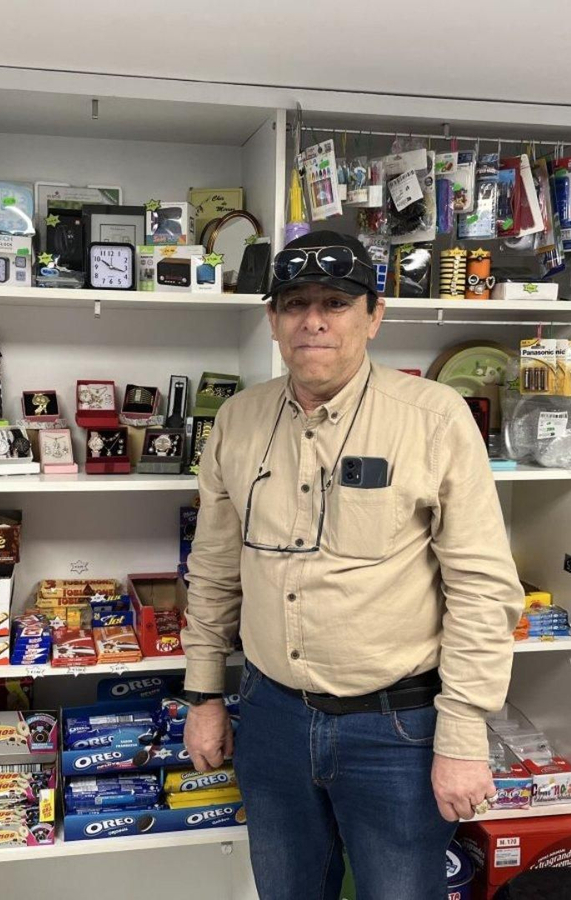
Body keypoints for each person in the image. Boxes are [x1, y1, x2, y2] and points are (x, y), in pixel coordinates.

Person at [180, 229, 524, 899]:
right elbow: (216, 567)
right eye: (295, 303)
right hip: (272, 716)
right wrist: (203, 697)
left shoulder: (433, 419)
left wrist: (462, 735)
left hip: (396, 731)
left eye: (335, 303)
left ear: (374, 316)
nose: (314, 320)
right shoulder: (238, 420)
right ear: (272, 320)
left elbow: (482, 589)